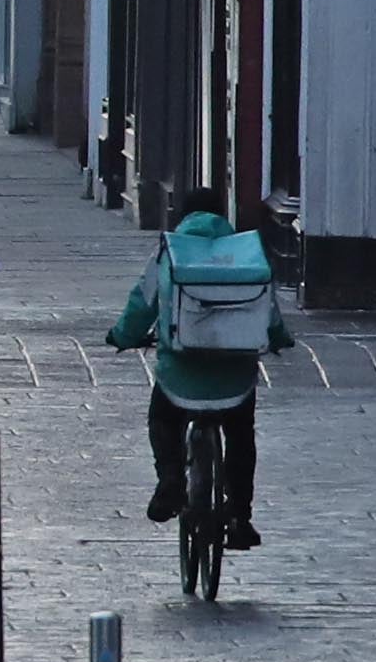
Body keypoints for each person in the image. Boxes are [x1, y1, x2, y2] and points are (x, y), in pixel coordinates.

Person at [106, 204, 294, 548]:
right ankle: (239, 514)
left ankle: (171, 480)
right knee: (240, 434)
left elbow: (141, 304)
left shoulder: (169, 253)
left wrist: (122, 336)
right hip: (234, 380)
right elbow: (269, 311)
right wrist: (281, 339)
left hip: (181, 377)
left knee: (162, 418)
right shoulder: (247, 255)